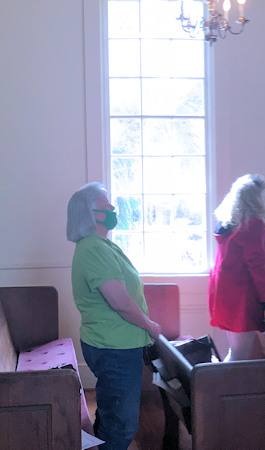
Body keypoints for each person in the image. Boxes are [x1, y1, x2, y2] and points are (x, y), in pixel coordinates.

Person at [67, 182, 162, 450]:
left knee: (112, 412)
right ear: (89, 214)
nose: (112, 208)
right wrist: (150, 326)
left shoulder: (101, 245)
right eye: (105, 205)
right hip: (113, 348)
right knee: (122, 424)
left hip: (113, 344)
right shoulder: (94, 249)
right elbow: (120, 302)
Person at [207, 174, 265, 362]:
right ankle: (212, 380)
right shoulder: (252, 223)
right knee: (240, 355)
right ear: (255, 199)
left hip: (225, 292)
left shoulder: (230, 223)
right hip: (241, 295)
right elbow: (257, 264)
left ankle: (213, 379)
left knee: (236, 351)